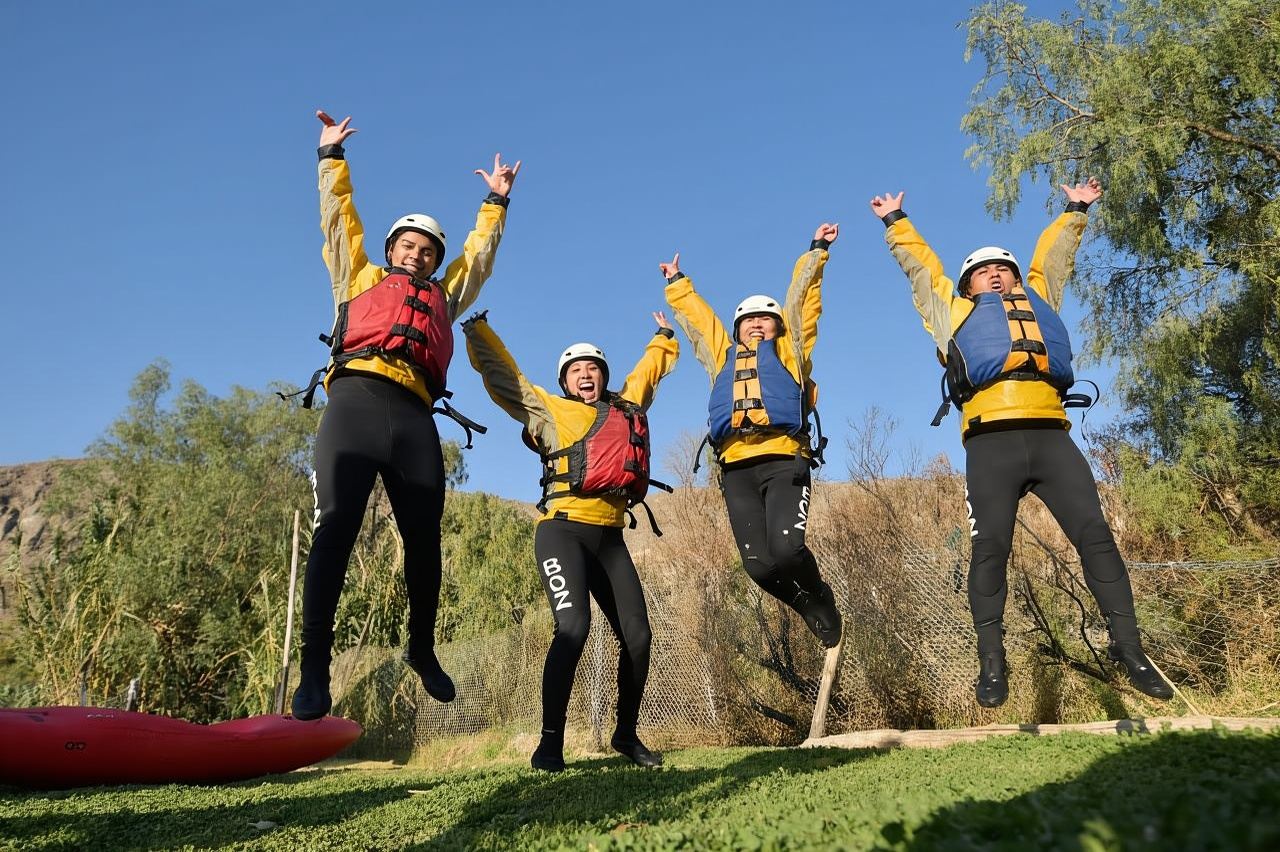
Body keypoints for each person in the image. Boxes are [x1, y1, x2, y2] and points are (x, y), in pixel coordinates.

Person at [870, 179, 1173, 707]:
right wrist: (897, 223)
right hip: (991, 445)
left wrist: (1076, 210)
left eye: (1003, 268)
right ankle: (992, 663)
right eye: (983, 271)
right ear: (968, 286)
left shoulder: (1038, 298)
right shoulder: (953, 312)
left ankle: (1131, 650)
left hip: (1052, 438)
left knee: (1096, 539)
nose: (995, 273)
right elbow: (922, 270)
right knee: (990, 550)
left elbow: (1053, 259)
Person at [290, 110, 521, 721]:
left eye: (427, 251)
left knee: (423, 538)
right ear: (392, 250)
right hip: (356, 403)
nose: (417, 256)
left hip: (415, 415)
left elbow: (478, 257)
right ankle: (315, 669)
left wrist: (494, 202)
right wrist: (330, 160)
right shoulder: (357, 276)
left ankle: (421, 648)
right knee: (335, 527)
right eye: (408, 246)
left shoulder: (445, 295)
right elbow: (339, 220)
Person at [462, 309, 678, 771]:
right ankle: (550, 743)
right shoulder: (549, 410)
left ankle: (626, 735)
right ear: (564, 380)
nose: (586, 374)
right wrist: (477, 331)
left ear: (604, 377)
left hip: (611, 537)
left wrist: (663, 335)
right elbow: (507, 377)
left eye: (594, 368)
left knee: (638, 637)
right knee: (573, 627)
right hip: (562, 531)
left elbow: (648, 373)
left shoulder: (626, 407)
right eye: (576, 370)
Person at [662, 227, 843, 648]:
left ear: (778, 326)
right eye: (748, 321)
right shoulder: (720, 356)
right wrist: (676, 283)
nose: (756, 325)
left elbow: (802, 303)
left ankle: (820, 596)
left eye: (765, 319)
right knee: (759, 566)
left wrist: (816, 252)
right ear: (738, 330)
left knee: (787, 550)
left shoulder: (790, 351)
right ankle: (808, 606)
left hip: (784, 460)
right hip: (737, 468)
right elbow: (700, 322)